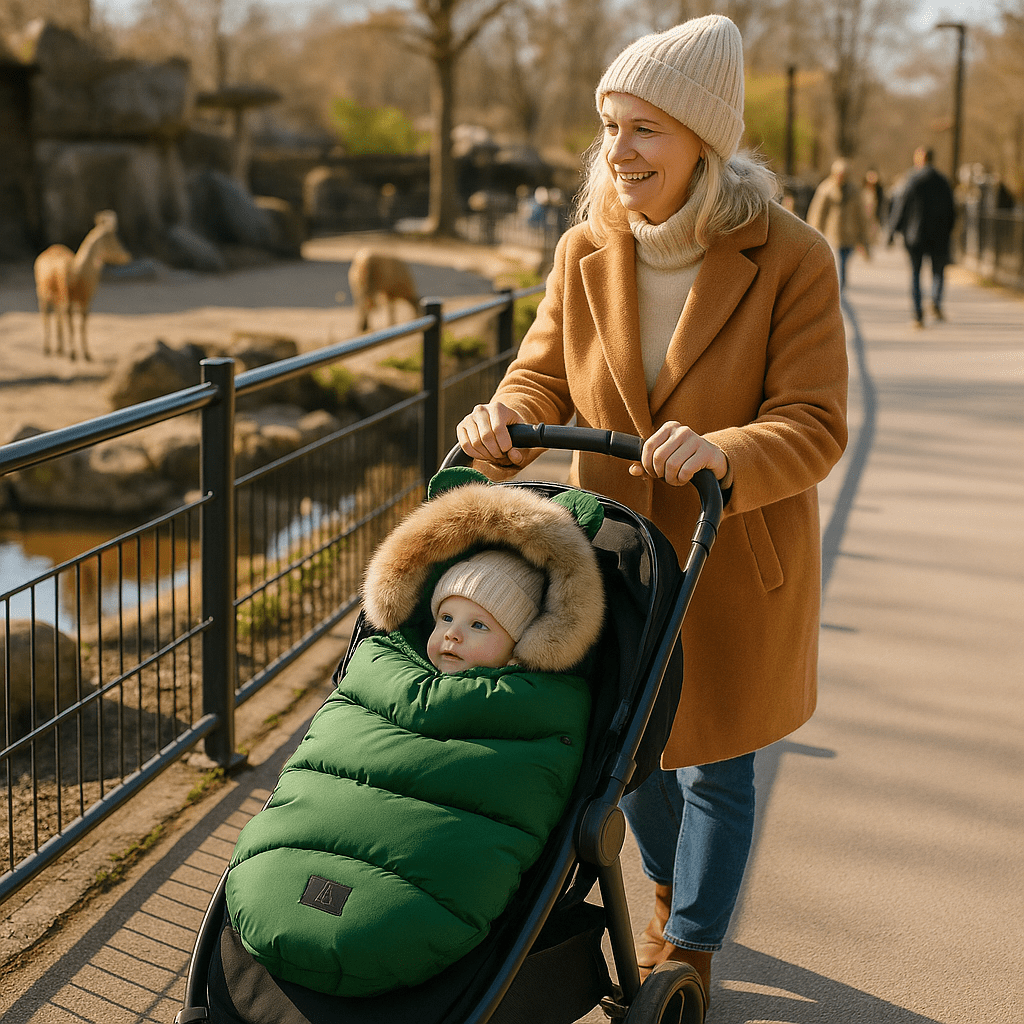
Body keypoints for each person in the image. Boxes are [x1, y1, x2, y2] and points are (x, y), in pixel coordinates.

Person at [456, 14, 849, 1013]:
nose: (616, 152)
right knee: (633, 763)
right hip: (619, 557)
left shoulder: (791, 257)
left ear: (701, 141)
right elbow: (540, 374)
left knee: (716, 761)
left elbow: (812, 422)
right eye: (607, 125)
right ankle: (675, 897)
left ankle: (694, 942)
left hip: (732, 555)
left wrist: (724, 451)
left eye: (643, 129)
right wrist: (507, 416)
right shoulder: (587, 249)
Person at [224, 476, 605, 997]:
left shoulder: (536, 707)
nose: (451, 633)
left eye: (479, 626)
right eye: (445, 615)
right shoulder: (383, 665)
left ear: (524, 646)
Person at [887, 146, 957, 327]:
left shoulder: (911, 179)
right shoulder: (943, 181)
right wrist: (948, 230)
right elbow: (952, 210)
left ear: (919, 159)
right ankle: (935, 300)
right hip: (939, 235)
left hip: (915, 235)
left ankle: (918, 315)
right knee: (938, 271)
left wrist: (892, 231)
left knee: (916, 274)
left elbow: (900, 207)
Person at [806, 157, 871, 291]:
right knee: (838, 265)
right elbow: (817, 214)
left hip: (850, 235)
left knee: (844, 263)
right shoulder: (826, 189)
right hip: (832, 235)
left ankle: (840, 288)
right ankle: (838, 291)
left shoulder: (854, 191)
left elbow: (861, 216)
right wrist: (815, 234)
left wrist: (864, 240)